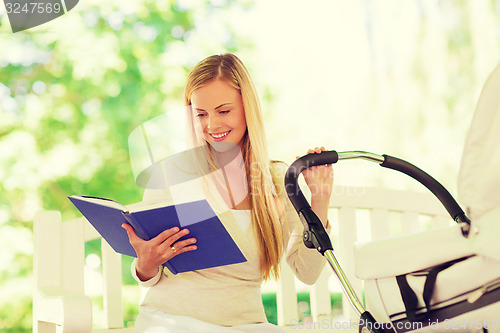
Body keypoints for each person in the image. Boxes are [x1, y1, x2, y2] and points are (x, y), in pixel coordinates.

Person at [122, 53, 333, 332]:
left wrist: (320, 200)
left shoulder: (276, 179)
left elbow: (308, 273)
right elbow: (149, 274)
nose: (212, 125)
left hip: (246, 324)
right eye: (201, 114)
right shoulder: (171, 174)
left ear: (248, 109)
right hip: (172, 321)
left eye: (223, 111)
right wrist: (145, 264)